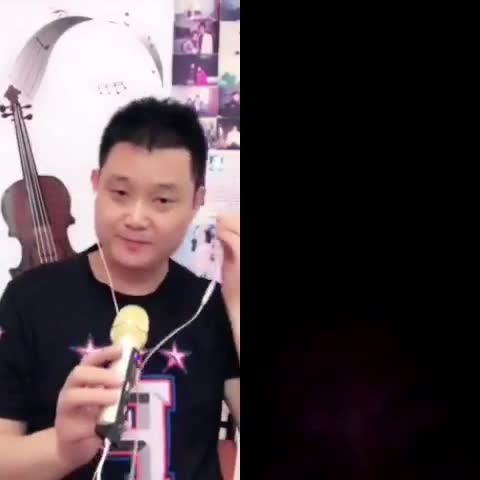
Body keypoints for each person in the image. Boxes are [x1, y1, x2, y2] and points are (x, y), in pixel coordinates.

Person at [0, 98, 240, 480]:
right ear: (96, 183)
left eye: (162, 200)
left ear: (197, 202)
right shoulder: (28, 299)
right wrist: (61, 449)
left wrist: (238, 306)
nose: (136, 218)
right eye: (120, 193)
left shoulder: (212, 305)